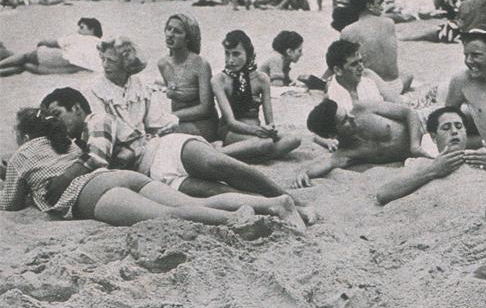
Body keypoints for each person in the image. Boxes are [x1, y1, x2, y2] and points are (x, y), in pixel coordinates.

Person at [0, 107, 268, 231]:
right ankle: (272, 204)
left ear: (25, 136)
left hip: (91, 193)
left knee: (169, 215)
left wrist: (8, 178)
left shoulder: (20, 156)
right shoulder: (65, 143)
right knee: (195, 203)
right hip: (117, 176)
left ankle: (236, 221)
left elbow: (11, 203)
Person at [293, 97, 426, 187]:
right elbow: (326, 164)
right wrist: (304, 173)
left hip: (424, 125)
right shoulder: (346, 153)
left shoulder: (364, 108)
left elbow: (410, 113)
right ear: (333, 135)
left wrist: (415, 146)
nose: (351, 116)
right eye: (344, 120)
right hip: (422, 154)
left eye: (347, 113)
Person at [212, 30, 301, 160]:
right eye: (227, 53)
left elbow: (270, 121)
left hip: (257, 130)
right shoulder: (219, 80)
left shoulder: (261, 79)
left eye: (236, 54)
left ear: (248, 54)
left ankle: (248, 156)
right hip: (232, 131)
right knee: (265, 143)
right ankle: (219, 153)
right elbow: (231, 122)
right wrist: (257, 131)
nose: (230, 60)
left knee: (294, 139)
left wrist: (269, 129)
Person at [376, 106, 467, 206]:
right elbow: (383, 194)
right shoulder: (422, 164)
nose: (454, 131)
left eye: (459, 126)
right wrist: (433, 170)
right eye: (446, 128)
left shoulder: (479, 157)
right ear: (434, 137)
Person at [339, 0, 413, 96]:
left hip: (370, 86)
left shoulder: (347, 31)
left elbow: (339, 61)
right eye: (378, 4)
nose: (382, 8)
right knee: (407, 75)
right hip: (394, 85)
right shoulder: (389, 23)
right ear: (369, 5)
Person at [157, 13, 218, 141]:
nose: (170, 34)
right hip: (178, 121)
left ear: (188, 39)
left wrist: (170, 117)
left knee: (161, 135)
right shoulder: (163, 64)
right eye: (168, 29)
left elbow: (206, 108)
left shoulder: (200, 64)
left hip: (203, 124)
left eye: (177, 31)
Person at [0, 18, 103, 77]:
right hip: (65, 70)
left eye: (82, 27)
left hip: (61, 58)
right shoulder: (101, 44)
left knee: (25, 56)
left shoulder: (81, 37)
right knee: (25, 66)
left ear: (92, 30)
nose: (79, 31)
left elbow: (51, 43)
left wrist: (41, 43)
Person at [324, 40, 390, 115]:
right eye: (354, 64)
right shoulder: (332, 97)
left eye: (361, 61)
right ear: (338, 70)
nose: (361, 68)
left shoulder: (369, 81)